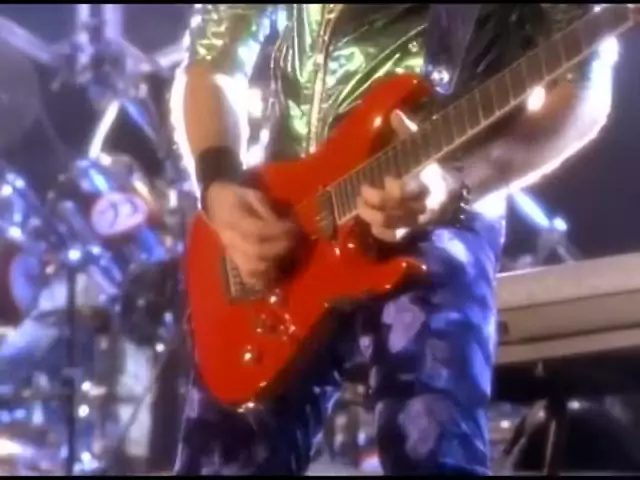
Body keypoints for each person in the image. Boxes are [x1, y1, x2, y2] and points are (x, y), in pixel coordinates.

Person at [169, 4, 613, 475]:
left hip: (437, 204)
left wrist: (459, 181)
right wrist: (217, 183)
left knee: (429, 449)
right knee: (221, 459)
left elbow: (583, 83)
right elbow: (213, 56)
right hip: (283, 218)